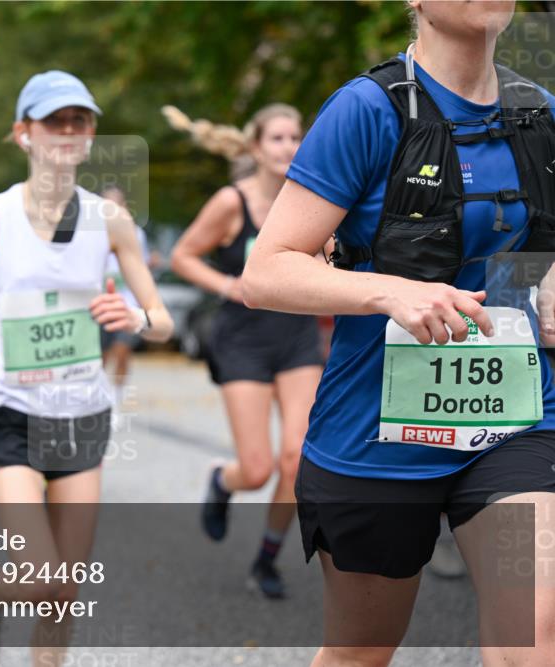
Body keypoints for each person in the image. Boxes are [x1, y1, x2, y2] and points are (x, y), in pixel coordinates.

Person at [242, 1, 555, 664]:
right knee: (361, 652)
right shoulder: (366, 110)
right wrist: (391, 291)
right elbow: (265, 271)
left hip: (515, 419)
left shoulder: (539, 113)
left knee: (536, 632)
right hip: (377, 429)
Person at [0, 70, 173, 667]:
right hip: (12, 410)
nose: (68, 131)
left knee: (64, 591)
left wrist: (135, 316)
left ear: (90, 136)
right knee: (39, 574)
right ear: (23, 133)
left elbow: (162, 321)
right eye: (54, 121)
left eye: (79, 121)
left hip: (82, 413)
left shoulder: (111, 221)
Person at [166, 102, 324, 598]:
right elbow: (182, 255)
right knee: (257, 470)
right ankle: (223, 481)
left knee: (298, 459)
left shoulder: (313, 200)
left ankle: (266, 559)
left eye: (295, 137)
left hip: (297, 338)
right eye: (277, 137)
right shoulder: (231, 202)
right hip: (243, 341)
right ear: (255, 148)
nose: (288, 146)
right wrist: (228, 285)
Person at [98, 186, 151, 408]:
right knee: (101, 357)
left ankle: (117, 400)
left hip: (127, 305)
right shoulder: (91, 235)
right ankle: (100, 400)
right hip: (99, 305)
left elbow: (142, 267)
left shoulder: (136, 234)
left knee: (122, 351)